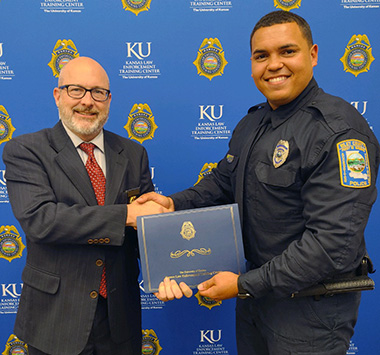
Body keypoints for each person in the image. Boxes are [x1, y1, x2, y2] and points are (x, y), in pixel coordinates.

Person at [137, 11, 380, 355]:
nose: (274, 65)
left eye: (287, 52)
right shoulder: (252, 124)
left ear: (312, 55)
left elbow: (331, 245)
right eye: (261, 56)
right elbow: (222, 182)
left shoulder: (339, 132)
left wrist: (242, 284)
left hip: (308, 313)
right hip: (256, 303)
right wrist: (172, 204)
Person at [2, 56, 167, 355]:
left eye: (97, 92)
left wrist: (173, 269)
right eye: (76, 90)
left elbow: (148, 232)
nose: (87, 101)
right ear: (58, 95)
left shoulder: (133, 153)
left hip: (120, 320)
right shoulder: (26, 150)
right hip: (55, 318)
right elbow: (42, 220)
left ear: (109, 99)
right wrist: (127, 215)